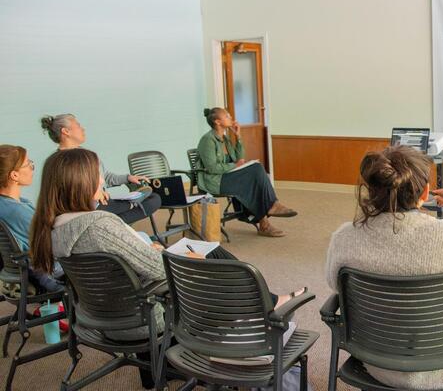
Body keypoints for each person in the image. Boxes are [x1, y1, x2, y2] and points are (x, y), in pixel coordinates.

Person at [29, 148, 306, 389]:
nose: (102, 179)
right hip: (148, 316)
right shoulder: (99, 225)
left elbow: (117, 266)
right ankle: (267, 304)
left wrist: (150, 250)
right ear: (81, 182)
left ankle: (266, 301)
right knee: (211, 257)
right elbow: (163, 274)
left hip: (104, 315)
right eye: (97, 175)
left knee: (206, 251)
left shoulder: (53, 227)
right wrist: (184, 260)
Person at [326, 145, 443, 390]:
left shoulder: (344, 237)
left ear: (371, 190)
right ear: (425, 193)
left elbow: (332, 281)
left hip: (377, 363)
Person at [40, 114, 161, 226]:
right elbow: (70, 190)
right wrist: (93, 191)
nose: (83, 129)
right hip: (89, 207)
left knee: (154, 199)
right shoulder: (60, 162)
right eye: (78, 126)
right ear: (66, 131)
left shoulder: (89, 155)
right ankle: (115, 219)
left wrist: (128, 178)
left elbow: (106, 177)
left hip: (104, 202)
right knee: (152, 200)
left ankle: (112, 221)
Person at [197, 107, 296, 237]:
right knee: (255, 172)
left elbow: (240, 159)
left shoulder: (225, 139)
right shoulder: (207, 140)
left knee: (256, 171)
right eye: (227, 116)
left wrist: (238, 136)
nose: (231, 118)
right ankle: (270, 211)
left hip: (226, 177)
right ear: (217, 122)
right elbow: (212, 168)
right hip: (215, 182)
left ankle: (266, 219)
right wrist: (235, 165)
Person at [0, 144, 64, 293]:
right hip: (50, 275)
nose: (32, 168)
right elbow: (56, 242)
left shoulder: (10, 205)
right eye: (28, 164)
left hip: (26, 271)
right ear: (14, 175)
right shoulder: (16, 211)